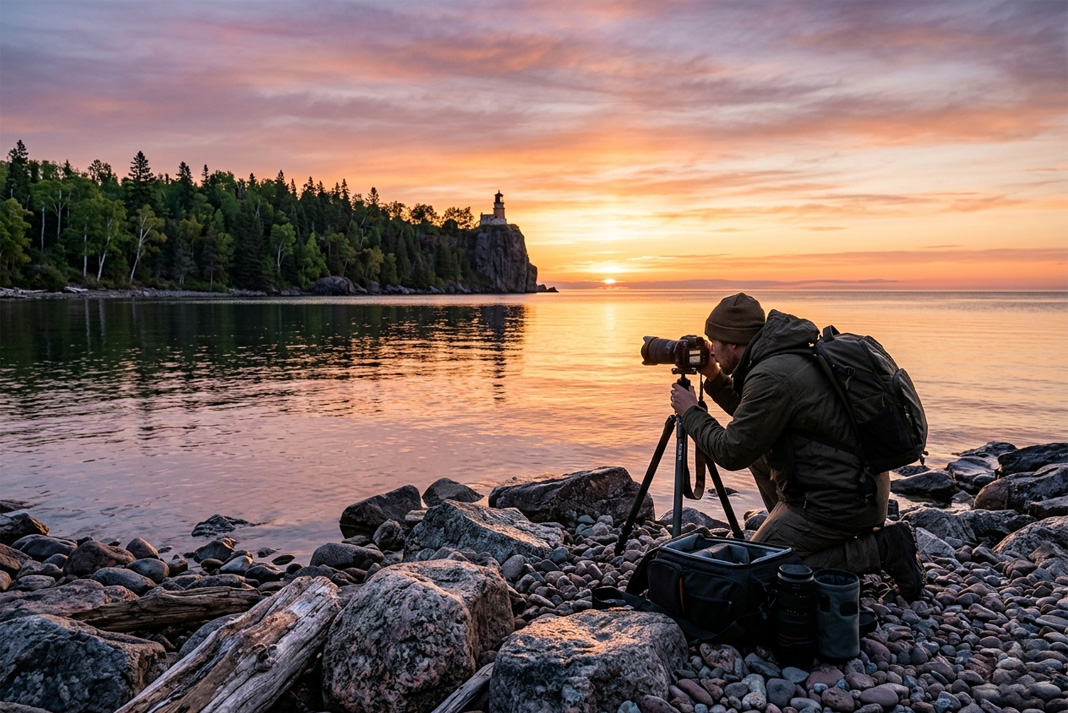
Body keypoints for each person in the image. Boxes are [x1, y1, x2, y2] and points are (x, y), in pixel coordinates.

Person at [668, 293, 925, 600]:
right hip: (858, 486)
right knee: (758, 448)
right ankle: (791, 527)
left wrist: (691, 413)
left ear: (734, 343)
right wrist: (714, 376)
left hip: (841, 504)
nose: (711, 350)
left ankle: (880, 549)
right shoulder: (784, 354)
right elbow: (755, 423)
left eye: (714, 341)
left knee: (766, 569)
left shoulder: (772, 375)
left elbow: (731, 451)